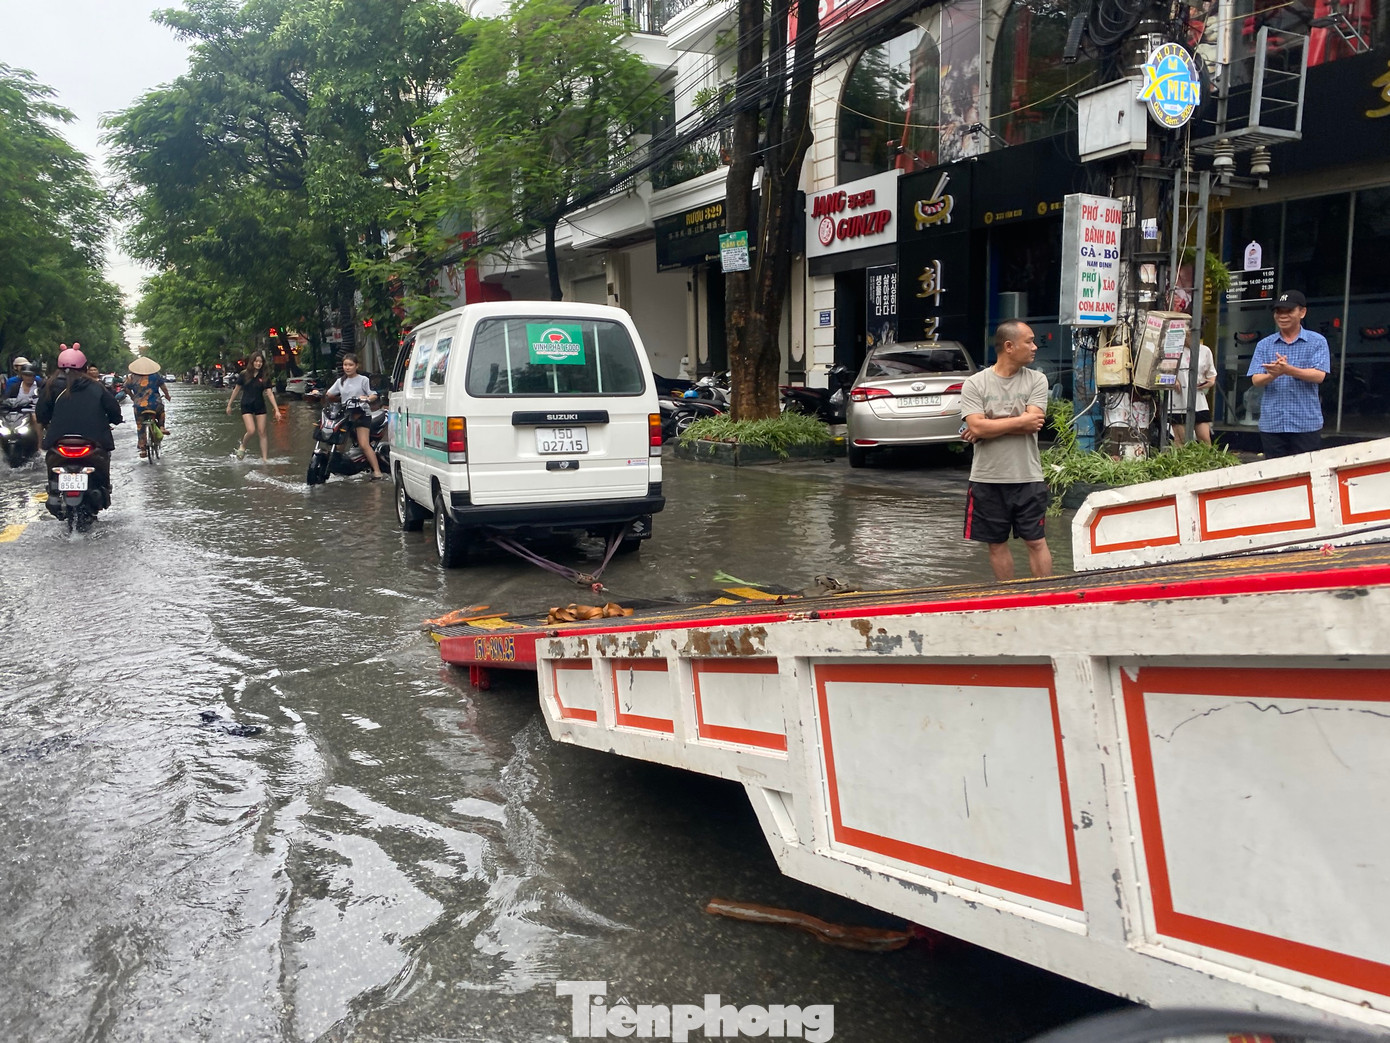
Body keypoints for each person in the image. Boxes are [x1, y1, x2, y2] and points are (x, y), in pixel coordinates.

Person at [960, 320, 1053, 581]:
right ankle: (1009, 594)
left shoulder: (1037, 379)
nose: (1035, 347)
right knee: (996, 543)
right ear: (1009, 346)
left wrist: (986, 426)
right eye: (1029, 341)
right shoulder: (975, 384)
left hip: (1028, 476)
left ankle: (1047, 594)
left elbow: (1033, 423)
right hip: (987, 478)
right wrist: (1018, 422)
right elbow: (976, 426)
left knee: (1036, 541)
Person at [35, 345, 122, 510]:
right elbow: (113, 409)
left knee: (51, 462)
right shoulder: (96, 386)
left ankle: (53, 489)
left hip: (58, 441)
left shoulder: (49, 385)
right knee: (105, 458)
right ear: (85, 367)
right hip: (93, 440)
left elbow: (41, 414)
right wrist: (116, 420)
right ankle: (104, 487)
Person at [1246, 290, 1329, 458]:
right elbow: (1256, 380)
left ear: (1302, 312)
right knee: (1275, 471)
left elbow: (1319, 376)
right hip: (1272, 423)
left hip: (1305, 423)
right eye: (1278, 311)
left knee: (1305, 469)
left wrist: (1288, 370)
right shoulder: (1264, 345)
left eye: (1289, 311)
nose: (1282, 316)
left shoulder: (1317, 341)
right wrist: (1273, 375)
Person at [324, 353, 384, 479]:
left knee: (364, 444)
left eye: (350, 365)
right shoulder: (340, 381)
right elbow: (329, 394)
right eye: (345, 365)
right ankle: (335, 471)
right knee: (338, 445)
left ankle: (377, 471)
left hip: (361, 414)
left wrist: (367, 398)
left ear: (356, 366)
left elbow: (373, 395)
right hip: (345, 415)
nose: (347, 367)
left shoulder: (363, 380)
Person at [226, 351, 280, 462]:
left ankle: (264, 459)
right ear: (252, 362)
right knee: (251, 430)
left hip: (259, 405)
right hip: (246, 405)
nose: (258, 364)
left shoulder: (264, 376)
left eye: (260, 362)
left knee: (262, 432)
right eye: (256, 361)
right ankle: (243, 446)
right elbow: (236, 390)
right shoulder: (244, 374)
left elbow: (269, 393)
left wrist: (277, 410)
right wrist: (229, 405)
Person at [1169, 336, 1218, 445]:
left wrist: (1209, 382)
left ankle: (1207, 456)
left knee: (1204, 437)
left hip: (1198, 397)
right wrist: (1173, 379)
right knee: (1181, 439)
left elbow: (1211, 373)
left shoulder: (1205, 350)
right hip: (1178, 397)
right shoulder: (1173, 350)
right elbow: (1163, 370)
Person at [127, 362, 172, 457]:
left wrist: (133, 397)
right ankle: (161, 427)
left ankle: (143, 449)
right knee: (161, 411)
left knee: (140, 426)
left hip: (139, 406)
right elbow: (163, 387)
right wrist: (167, 396)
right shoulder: (155, 375)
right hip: (155, 404)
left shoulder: (131, 377)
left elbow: (126, 389)